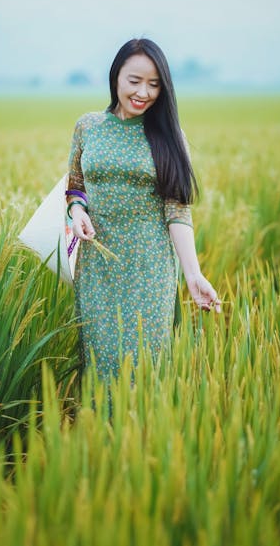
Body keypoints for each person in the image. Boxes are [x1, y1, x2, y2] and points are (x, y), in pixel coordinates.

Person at [67, 38, 220, 388]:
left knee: (142, 369)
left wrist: (193, 274)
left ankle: (142, 437)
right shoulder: (88, 127)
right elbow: (75, 186)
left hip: (149, 271)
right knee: (100, 364)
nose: (143, 92)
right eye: (134, 81)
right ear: (116, 77)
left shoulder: (169, 137)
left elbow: (177, 211)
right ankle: (98, 439)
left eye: (154, 84)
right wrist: (77, 211)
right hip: (97, 268)